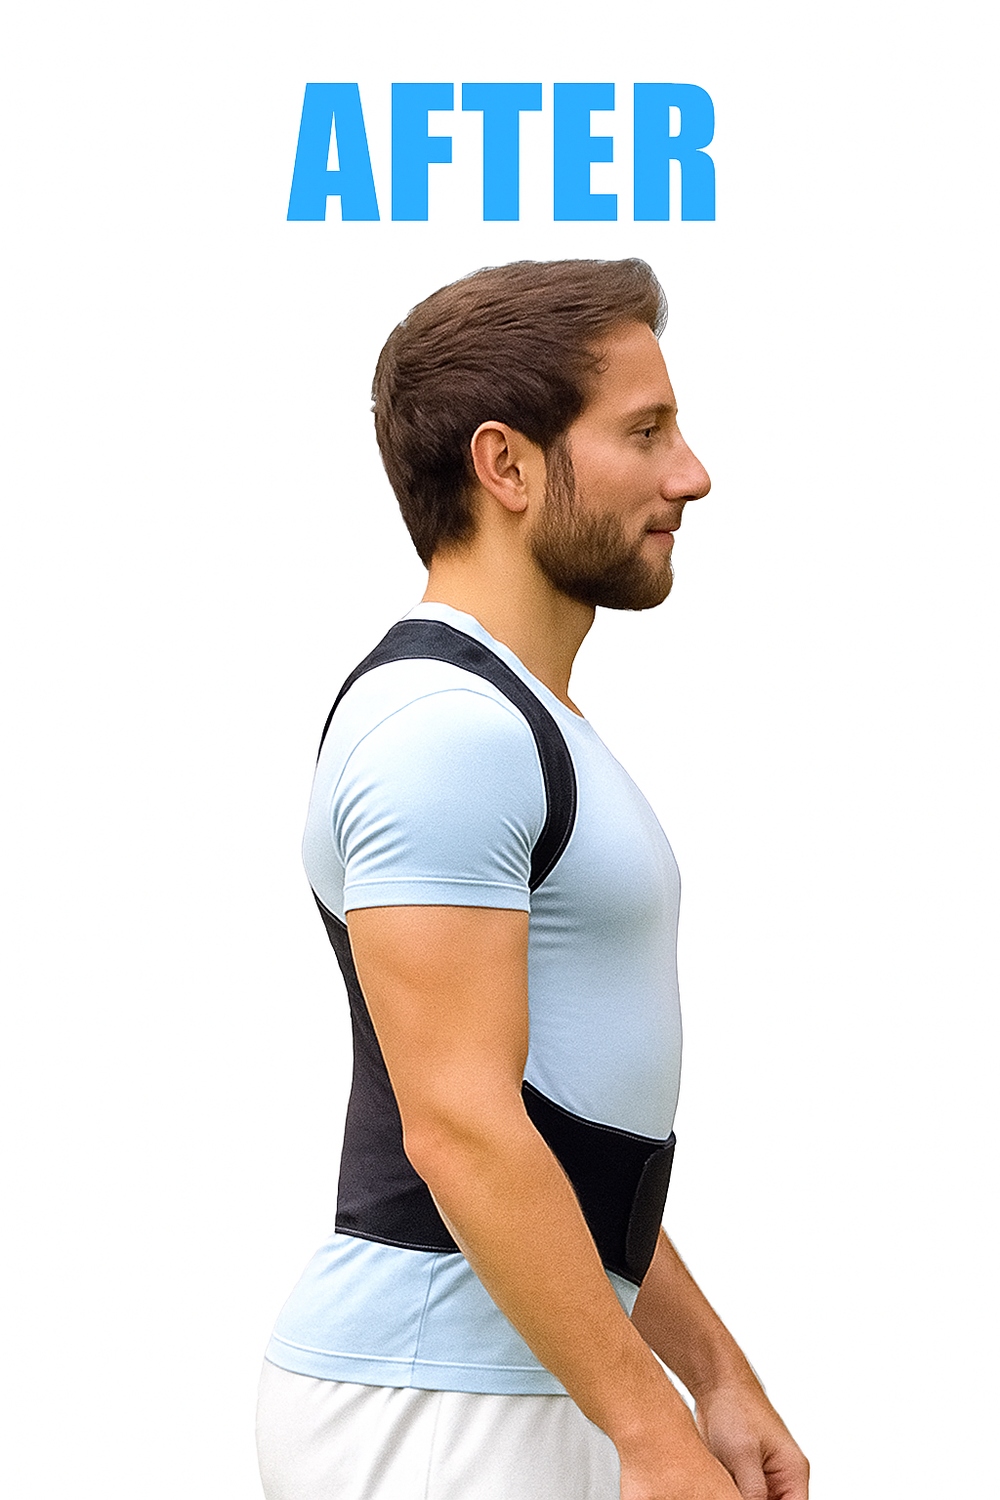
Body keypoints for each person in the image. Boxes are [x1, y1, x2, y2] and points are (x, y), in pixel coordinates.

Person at [257, 258, 809, 1500]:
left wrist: (712, 1377)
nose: (691, 475)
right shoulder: (442, 732)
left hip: (507, 1384)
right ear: (505, 466)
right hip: (435, 1407)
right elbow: (460, 1127)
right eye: (645, 432)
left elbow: (563, 1140)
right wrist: (650, 1430)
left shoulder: (514, 720)